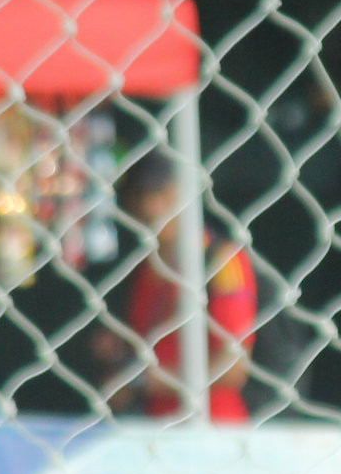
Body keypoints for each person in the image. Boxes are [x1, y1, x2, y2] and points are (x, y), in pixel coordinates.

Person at [98, 156, 257, 422]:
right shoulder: (146, 267)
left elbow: (232, 369)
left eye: (161, 194)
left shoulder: (222, 260)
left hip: (214, 426)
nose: (151, 207)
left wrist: (141, 382)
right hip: (155, 427)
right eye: (140, 197)